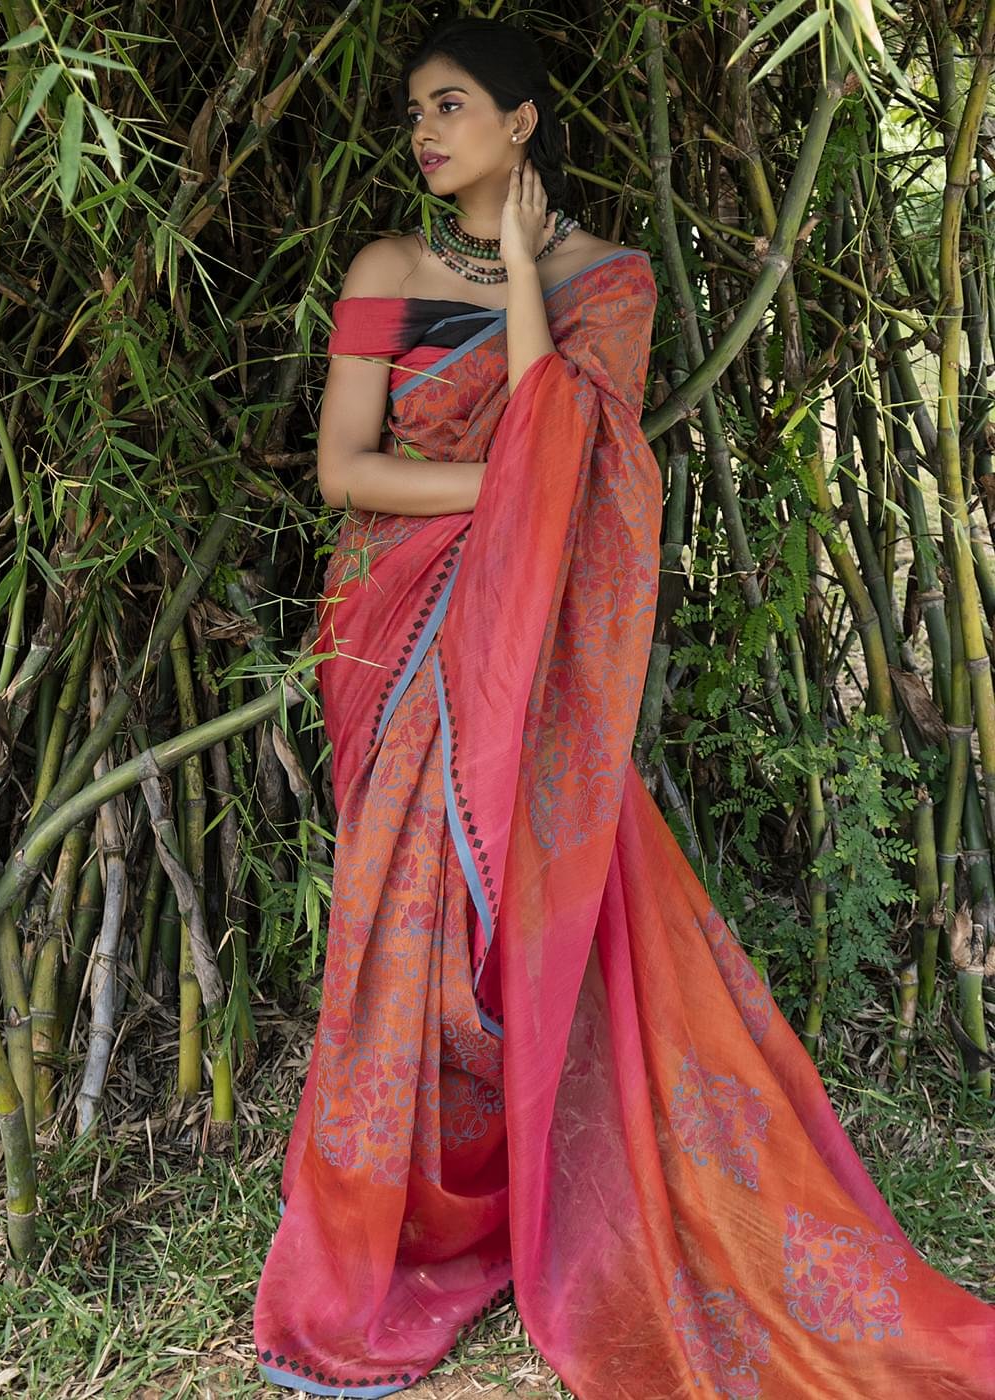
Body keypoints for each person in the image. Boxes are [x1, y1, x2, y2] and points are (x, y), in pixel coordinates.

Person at [254, 17, 995, 1399]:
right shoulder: (384, 271)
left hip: (534, 656)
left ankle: (538, 1189)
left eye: (453, 104)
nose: (425, 132)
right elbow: (347, 472)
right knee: (399, 934)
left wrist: (529, 280)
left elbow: (576, 441)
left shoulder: (611, 282)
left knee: (528, 917)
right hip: (403, 639)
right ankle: (407, 1225)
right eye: (416, 110)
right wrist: (511, 501)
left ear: (523, 123)